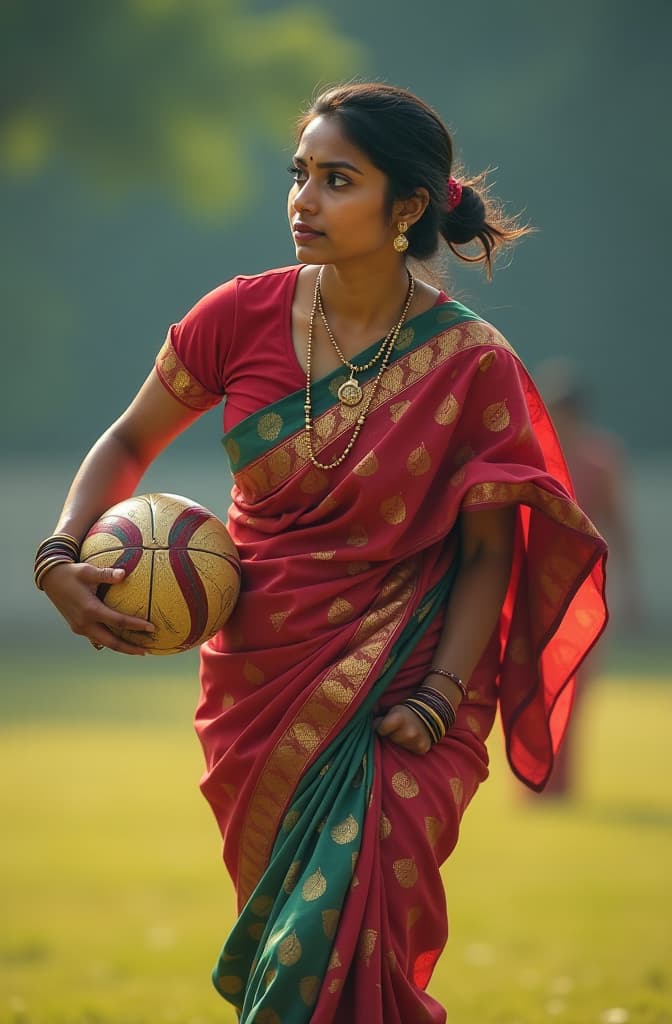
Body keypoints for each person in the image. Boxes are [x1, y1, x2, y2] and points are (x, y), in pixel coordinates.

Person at [35, 83, 608, 1024]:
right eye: (299, 175)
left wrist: (436, 698)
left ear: (409, 206)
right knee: (288, 947)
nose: (303, 199)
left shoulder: (472, 364)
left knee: (333, 954)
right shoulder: (239, 316)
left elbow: (484, 559)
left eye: (337, 180)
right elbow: (128, 442)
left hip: (409, 696)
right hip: (261, 686)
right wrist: (59, 556)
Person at [533, 358, 640, 796]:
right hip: (536, 589)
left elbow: (619, 524)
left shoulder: (600, 462)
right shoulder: (532, 451)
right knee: (535, 683)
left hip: (584, 591)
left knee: (575, 686)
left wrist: (631, 588)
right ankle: (536, 783)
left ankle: (559, 785)